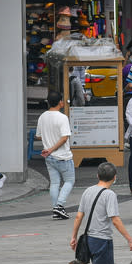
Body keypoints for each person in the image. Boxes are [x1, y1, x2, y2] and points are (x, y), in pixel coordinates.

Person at [36, 90, 75, 219]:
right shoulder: (62, 118)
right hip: (63, 156)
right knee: (69, 181)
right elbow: (64, 138)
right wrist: (52, 148)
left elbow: (39, 136)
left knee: (54, 183)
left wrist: (48, 147)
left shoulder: (42, 117)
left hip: (49, 157)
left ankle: (55, 209)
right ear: (60, 102)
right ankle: (59, 205)